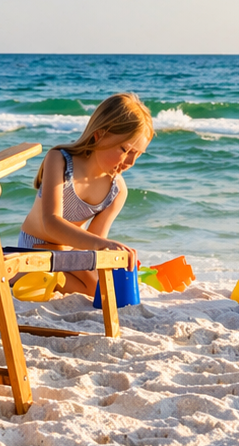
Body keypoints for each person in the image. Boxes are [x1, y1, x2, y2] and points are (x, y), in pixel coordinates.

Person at [17, 93, 153, 295]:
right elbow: (51, 222)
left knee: (101, 289)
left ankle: (54, 279)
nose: (131, 162)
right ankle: (26, 277)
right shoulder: (60, 160)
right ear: (100, 135)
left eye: (138, 154)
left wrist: (109, 254)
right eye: (126, 149)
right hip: (34, 250)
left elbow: (93, 245)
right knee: (91, 286)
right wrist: (104, 245)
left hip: (70, 255)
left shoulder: (116, 190)